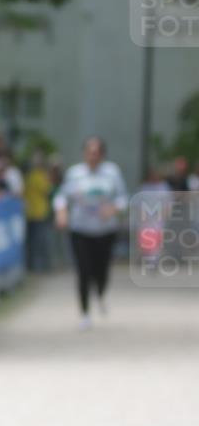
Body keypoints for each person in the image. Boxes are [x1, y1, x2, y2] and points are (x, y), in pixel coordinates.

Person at [53, 136, 127, 330]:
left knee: (101, 270)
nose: (93, 156)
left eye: (96, 152)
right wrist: (61, 212)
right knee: (83, 271)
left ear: (102, 154)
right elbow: (61, 197)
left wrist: (113, 209)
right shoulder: (74, 174)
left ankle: (101, 292)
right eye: (89, 152)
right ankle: (85, 313)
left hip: (105, 230)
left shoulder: (112, 172)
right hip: (80, 229)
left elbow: (122, 198)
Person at [23, 151, 54, 272]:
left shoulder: (32, 176)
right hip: (37, 212)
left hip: (35, 212)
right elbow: (47, 191)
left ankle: (37, 265)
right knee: (39, 241)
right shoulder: (39, 176)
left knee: (36, 240)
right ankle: (40, 265)